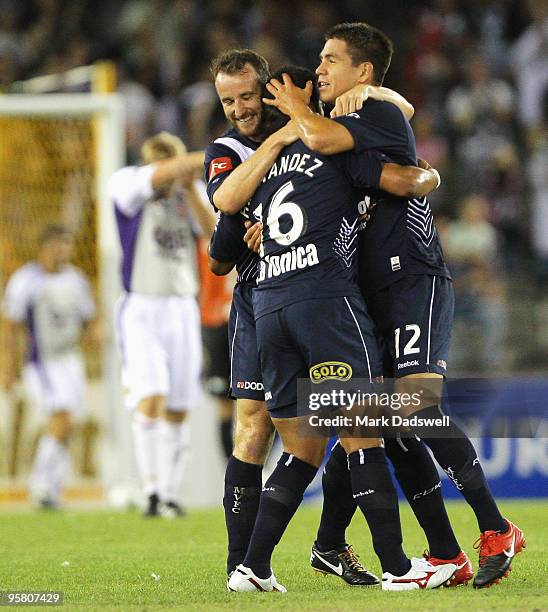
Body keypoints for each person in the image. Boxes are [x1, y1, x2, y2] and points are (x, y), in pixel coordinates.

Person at [263, 21, 525, 589]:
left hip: (413, 278)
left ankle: (495, 527)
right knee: (370, 419)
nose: (321, 67)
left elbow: (334, 137)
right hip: (367, 291)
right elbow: (378, 166)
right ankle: (438, 552)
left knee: (410, 406)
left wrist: (297, 111)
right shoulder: (349, 123)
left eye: (332, 59)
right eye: (320, 57)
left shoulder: (365, 116)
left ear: (363, 71)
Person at [220, 64, 456, 593]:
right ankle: (397, 567)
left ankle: (251, 568)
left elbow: (222, 233)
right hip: (326, 303)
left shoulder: (268, 163)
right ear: (310, 97)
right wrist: (430, 174)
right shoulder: (334, 148)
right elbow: (401, 179)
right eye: (321, 78)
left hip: (269, 306)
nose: (330, 83)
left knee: (302, 449)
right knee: (362, 434)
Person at [108, 132, 216, 517]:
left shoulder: (189, 191)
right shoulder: (127, 184)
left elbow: (211, 233)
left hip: (182, 306)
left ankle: (169, 494)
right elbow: (151, 178)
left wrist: (190, 188)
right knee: (150, 395)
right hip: (142, 306)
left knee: (179, 404)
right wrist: (206, 156)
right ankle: (152, 489)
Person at [1, 225, 96, 508]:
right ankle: (40, 485)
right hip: (42, 362)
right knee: (61, 416)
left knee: (68, 422)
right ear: (43, 247)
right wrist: (7, 367)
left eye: (66, 245)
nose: (62, 251)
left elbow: (89, 318)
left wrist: (94, 334)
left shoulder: (76, 279)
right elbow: (10, 325)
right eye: (57, 244)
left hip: (71, 360)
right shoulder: (26, 280)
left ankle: (52, 490)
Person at [198, 241, 236, 459]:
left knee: (262, 402)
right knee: (225, 402)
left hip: (248, 315)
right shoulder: (198, 221)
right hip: (214, 321)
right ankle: (235, 478)